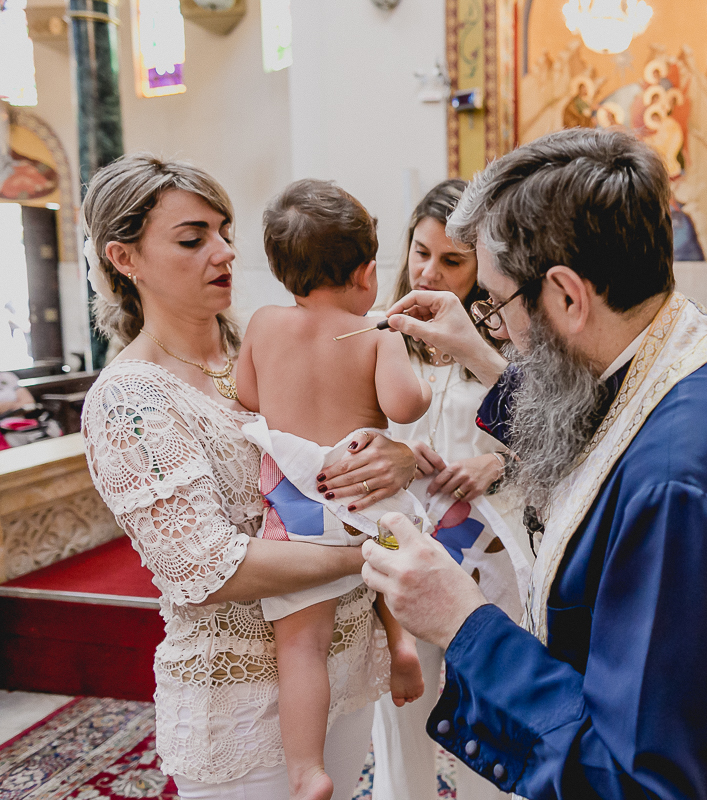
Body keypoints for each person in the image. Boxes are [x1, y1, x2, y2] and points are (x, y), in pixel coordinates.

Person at [364, 127, 707, 797]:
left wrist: (464, 622)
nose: (496, 324)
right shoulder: (690, 351)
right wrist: (479, 354)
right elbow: (607, 435)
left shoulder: (677, 488)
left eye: (496, 304)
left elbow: (634, 780)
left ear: (567, 296)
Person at [80, 155, 417, 800]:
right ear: (125, 260)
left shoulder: (260, 345)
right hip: (244, 700)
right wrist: (374, 550)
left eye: (225, 232)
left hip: (346, 663)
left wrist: (394, 458)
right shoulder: (130, 400)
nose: (225, 252)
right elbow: (211, 568)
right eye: (193, 239)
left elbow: (354, 430)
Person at [236, 179, 432, 800]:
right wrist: (408, 358)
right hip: (363, 497)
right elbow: (405, 406)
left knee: (302, 647)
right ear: (368, 272)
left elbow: (246, 394)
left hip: (299, 503)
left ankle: (307, 771)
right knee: (389, 559)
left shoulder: (264, 324)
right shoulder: (372, 333)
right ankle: (401, 644)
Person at [372, 178, 530, 800]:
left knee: (488, 717)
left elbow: (554, 435)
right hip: (405, 547)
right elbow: (355, 432)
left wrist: (496, 462)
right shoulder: (383, 335)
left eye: (452, 260)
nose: (430, 272)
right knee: (401, 714)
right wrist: (392, 452)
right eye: (421, 252)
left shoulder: (514, 342)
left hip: (489, 554)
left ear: (482, 266)